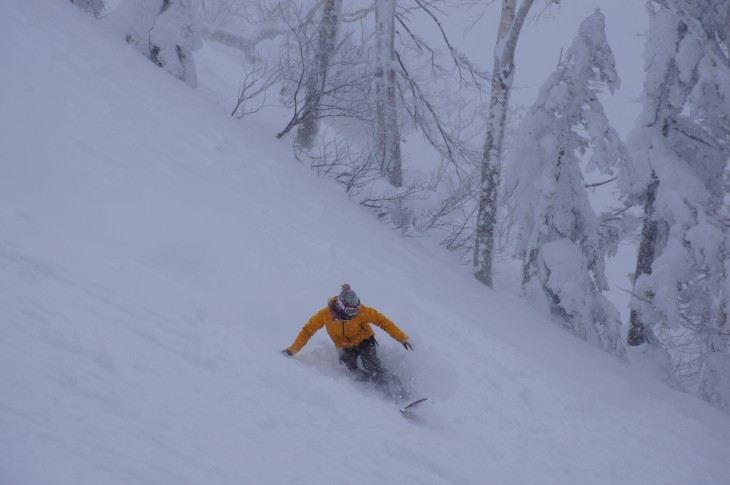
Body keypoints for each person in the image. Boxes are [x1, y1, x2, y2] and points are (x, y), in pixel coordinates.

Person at [282, 284, 413, 387]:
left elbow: (382, 321)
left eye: (356, 309)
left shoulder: (362, 312)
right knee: (352, 372)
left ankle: (396, 388)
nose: (355, 313)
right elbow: (307, 331)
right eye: (351, 310)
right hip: (344, 347)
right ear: (340, 306)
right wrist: (292, 350)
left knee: (371, 365)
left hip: (364, 340)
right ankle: (374, 387)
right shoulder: (325, 315)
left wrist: (402, 338)